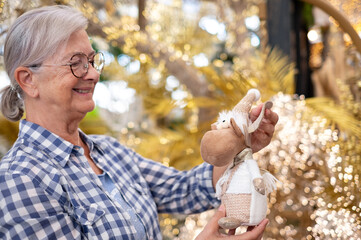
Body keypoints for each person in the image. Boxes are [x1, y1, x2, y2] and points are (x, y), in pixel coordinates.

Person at [0, 5, 278, 240]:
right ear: (28, 80)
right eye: (76, 63)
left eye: (93, 61)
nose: (93, 75)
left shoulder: (109, 151)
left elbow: (184, 189)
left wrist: (240, 141)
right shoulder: (20, 179)